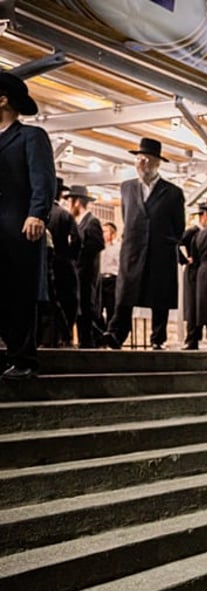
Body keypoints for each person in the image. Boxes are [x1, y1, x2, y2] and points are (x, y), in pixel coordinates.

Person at [102, 137, 185, 350]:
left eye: (147, 160)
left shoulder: (173, 192)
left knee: (160, 295)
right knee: (125, 292)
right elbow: (126, 214)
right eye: (139, 159)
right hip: (133, 247)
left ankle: (158, 338)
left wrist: (167, 241)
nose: (142, 164)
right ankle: (116, 334)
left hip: (161, 249)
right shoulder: (127, 187)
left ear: (157, 163)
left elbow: (179, 226)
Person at [0, 71, 56, 380]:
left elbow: (43, 179)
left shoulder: (30, 136)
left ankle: (23, 359)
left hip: (18, 227)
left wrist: (37, 213)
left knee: (17, 293)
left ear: (3, 99)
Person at [64, 185, 104, 348]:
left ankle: (89, 342)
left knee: (88, 309)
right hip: (80, 273)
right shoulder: (79, 222)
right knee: (82, 309)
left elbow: (97, 244)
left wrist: (78, 256)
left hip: (87, 273)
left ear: (77, 202)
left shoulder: (92, 222)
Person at [43, 178, 80, 347]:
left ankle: (47, 337)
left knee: (48, 300)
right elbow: (77, 240)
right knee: (66, 301)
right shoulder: (65, 215)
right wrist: (70, 257)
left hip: (43, 264)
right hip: (63, 264)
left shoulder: (40, 212)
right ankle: (64, 336)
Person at [178, 201, 207, 350]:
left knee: (205, 304)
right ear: (205, 215)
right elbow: (175, 243)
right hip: (193, 272)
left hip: (203, 271)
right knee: (193, 306)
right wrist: (185, 260)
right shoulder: (192, 232)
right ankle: (192, 338)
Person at [97, 222, 120, 329]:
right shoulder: (100, 247)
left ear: (113, 233)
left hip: (112, 280)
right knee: (98, 308)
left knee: (111, 308)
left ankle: (110, 332)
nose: (102, 234)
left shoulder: (118, 248)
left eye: (105, 231)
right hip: (100, 280)